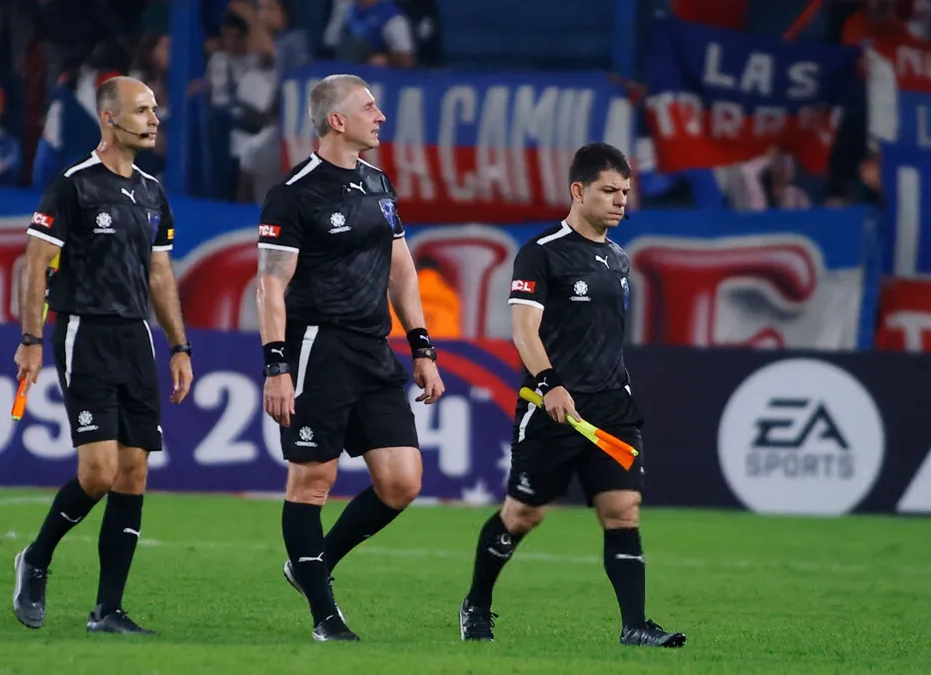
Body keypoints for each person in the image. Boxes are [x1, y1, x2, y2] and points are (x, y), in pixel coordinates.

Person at [458, 143, 686, 648]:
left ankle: (634, 626)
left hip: (610, 409)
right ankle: (476, 604)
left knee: (622, 510)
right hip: (552, 409)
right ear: (578, 191)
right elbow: (524, 331)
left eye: (625, 192)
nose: (620, 201)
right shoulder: (541, 253)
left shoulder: (619, 260)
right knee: (523, 515)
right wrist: (548, 385)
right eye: (609, 190)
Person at [256, 73, 446, 642]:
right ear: (336, 121)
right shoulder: (294, 193)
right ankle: (324, 618)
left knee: (402, 482)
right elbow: (269, 284)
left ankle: (309, 564)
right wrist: (276, 366)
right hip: (318, 346)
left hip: (373, 349)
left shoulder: (379, 184)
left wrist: (421, 346)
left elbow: (402, 268)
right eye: (369, 107)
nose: (381, 116)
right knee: (312, 480)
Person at [11, 77, 193, 636]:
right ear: (110, 119)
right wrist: (32, 339)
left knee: (134, 471)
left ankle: (107, 610)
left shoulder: (151, 192)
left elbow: (160, 273)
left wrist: (179, 345)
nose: (153, 119)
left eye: (155, 109)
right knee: (98, 471)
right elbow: (36, 262)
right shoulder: (73, 186)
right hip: (84, 332)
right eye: (142, 110)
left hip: (135, 337)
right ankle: (36, 558)